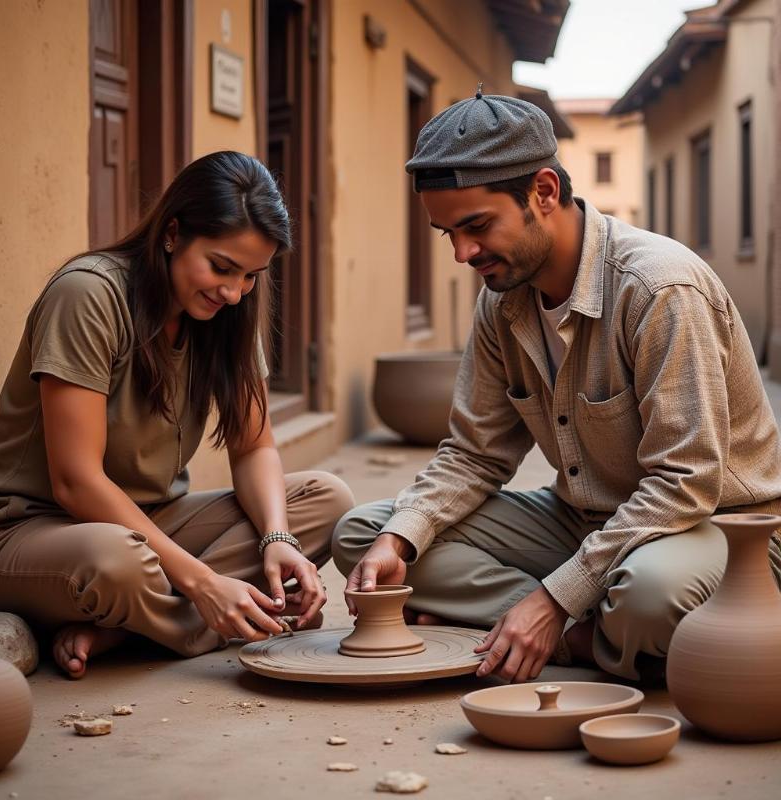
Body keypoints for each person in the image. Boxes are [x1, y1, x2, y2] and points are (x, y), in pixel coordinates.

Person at [333, 92, 781, 684]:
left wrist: (553, 596)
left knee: (647, 597)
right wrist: (401, 538)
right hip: (582, 521)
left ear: (544, 192)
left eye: (476, 226)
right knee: (368, 536)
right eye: (447, 234)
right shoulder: (501, 298)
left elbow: (685, 482)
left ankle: (560, 624)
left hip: (715, 528)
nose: (464, 253)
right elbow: (473, 455)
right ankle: (582, 638)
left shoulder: (659, 290)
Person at [0, 151, 354, 678]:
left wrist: (277, 539)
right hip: (33, 533)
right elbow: (75, 482)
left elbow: (254, 447)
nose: (232, 292)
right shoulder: (88, 294)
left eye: (251, 275)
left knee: (325, 499)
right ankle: (199, 618)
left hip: (152, 522)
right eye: (221, 267)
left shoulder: (229, 312)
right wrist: (202, 583)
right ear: (173, 233)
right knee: (117, 564)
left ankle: (122, 630)